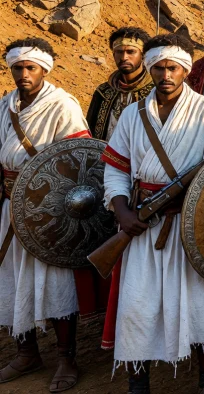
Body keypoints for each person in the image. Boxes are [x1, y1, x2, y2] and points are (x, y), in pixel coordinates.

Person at [100, 36, 204, 394]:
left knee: (201, 307)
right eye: (159, 68)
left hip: (192, 224)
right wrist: (122, 210)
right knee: (137, 306)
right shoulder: (133, 114)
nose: (166, 75)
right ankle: (138, 385)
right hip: (142, 225)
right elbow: (116, 168)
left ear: (184, 70)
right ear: (150, 69)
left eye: (173, 68)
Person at [1, 39, 94, 393]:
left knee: (54, 283)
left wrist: (47, 199)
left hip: (49, 211)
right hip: (9, 207)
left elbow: (80, 158)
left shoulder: (62, 105)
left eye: (31, 68)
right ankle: (27, 353)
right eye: (17, 68)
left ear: (44, 70)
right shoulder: (5, 106)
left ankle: (66, 358)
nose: (23, 74)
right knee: (11, 279)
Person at [87, 27, 153, 141]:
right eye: (119, 52)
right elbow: (90, 133)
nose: (124, 57)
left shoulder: (156, 92)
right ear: (113, 54)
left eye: (131, 52)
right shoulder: (103, 92)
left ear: (143, 55)